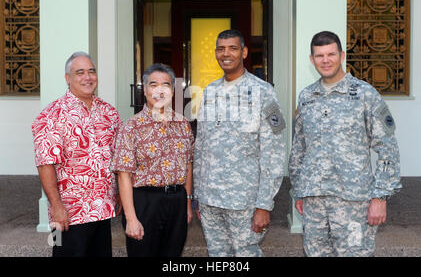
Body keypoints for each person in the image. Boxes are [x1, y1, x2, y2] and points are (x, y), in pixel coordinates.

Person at [288, 31, 402, 257]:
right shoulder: (306, 97)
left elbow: (388, 148)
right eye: (319, 55)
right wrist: (299, 191)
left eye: (331, 54)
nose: (325, 60)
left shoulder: (364, 94)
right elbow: (299, 149)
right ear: (312, 60)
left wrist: (380, 197)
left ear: (341, 55)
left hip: (353, 202)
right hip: (314, 201)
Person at [193, 29, 286, 257]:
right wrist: (198, 195)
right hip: (210, 199)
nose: (226, 54)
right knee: (217, 255)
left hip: (244, 201)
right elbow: (201, 145)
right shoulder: (210, 91)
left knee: (246, 255)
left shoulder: (264, 92)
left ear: (244, 52)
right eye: (221, 49)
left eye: (233, 48)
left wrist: (264, 204)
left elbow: (274, 152)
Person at [32, 52, 121, 257]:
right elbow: (45, 164)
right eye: (79, 72)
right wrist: (56, 207)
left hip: (102, 210)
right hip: (69, 215)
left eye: (91, 71)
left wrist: (119, 197)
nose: (87, 77)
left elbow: (116, 158)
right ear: (67, 78)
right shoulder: (51, 115)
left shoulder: (109, 113)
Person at [111, 63, 194, 257]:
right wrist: (131, 218)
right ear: (145, 90)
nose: (159, 90)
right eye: (153, 85)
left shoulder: (183, 125)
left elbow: (188, 165)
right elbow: (123, 176)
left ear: (172, 91)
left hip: (177, 201)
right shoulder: (131, 127)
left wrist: (187, 204)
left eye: (165, 85)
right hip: (144, 202)